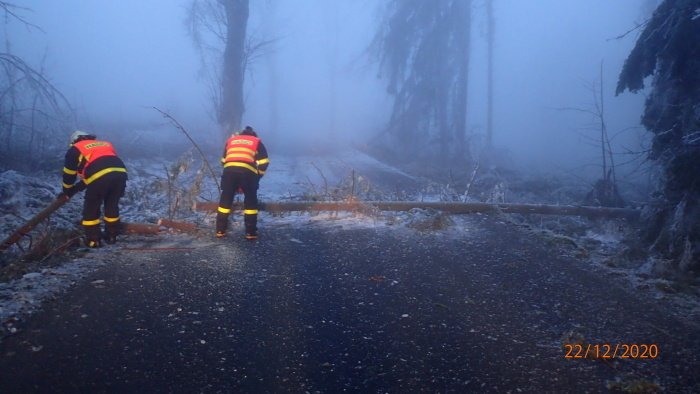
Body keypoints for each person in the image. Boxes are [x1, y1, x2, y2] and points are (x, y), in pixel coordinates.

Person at [60, 130, 128, 248]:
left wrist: (67, 190)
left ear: (74, 141)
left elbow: (69, 173)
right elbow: (101, 169)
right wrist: (78, 187)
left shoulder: (75, 148)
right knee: (111, 205)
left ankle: (93, 240)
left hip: (100, 176)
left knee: (91, 208)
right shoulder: (104, 144)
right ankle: (111, 236)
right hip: (120, 174)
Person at [216, 126, 269, 240]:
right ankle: (251, 233)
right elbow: (264, 162)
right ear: (253, 135)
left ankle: (220, 230)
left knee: (225, 201)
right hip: (248, 173)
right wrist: (258, 176)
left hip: (229, 172)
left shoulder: (231, 141)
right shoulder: (256, 141)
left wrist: (232, 175)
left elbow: (223, 161)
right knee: (250, 203)